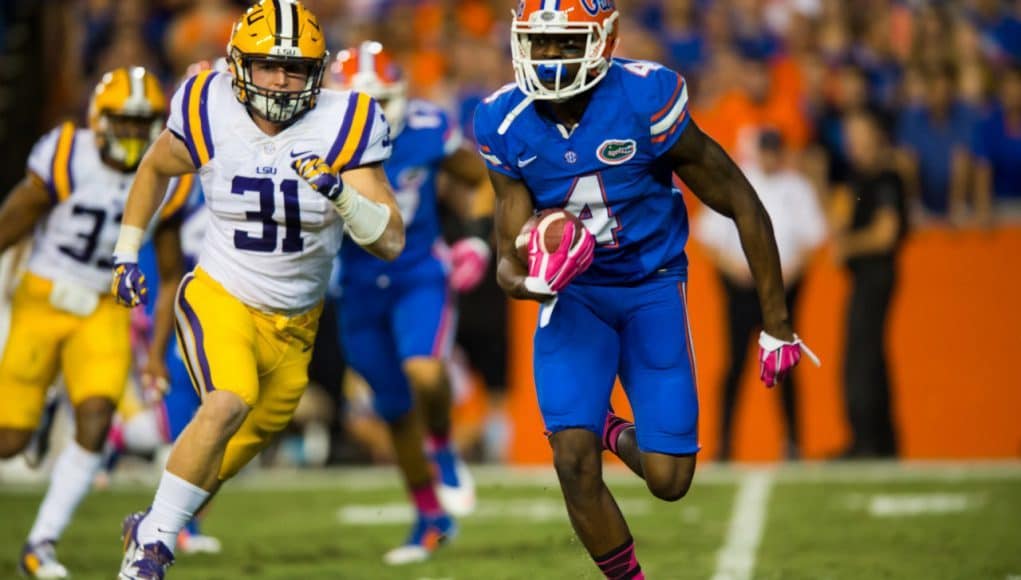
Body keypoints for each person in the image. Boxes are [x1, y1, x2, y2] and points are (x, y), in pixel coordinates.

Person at [474, 1, 816, 577]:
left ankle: (606, 424)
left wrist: (777, 324)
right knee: (572, 459)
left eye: (564, 43)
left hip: (650, 286)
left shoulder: (645, 97)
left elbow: (740, 199)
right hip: (574, 297)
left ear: (604, 40)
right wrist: (532, 281)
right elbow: (506, 257)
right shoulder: (502, 120)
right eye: (538, 41)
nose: (548, 57)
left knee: (670, 479)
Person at [110, 1, 404, 577]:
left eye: (295, 69)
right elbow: (153, 168)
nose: (280, 80)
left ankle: (151, 522)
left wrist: (342, 194)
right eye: (267, 65)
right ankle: (149, 554)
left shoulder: (348, 119)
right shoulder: (208, 104)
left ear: (317, 73)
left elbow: (390, 240)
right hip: (222, 293)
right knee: (228, 399)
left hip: (297, 323)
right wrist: (125, 252)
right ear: (238, 63)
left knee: (240, 443)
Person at [0, 66, 183, 579]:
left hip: (104, 307)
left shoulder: (166, 174)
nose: (131, 134)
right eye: (122, 122)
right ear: (99, 121)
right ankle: (37, 418)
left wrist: (154, 354)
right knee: (8, 441)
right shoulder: (66, 155)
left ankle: (41, 542)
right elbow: (12, 222)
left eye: (141, 124)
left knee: (98, 417)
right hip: (42, 298)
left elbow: (170, 276)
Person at [329, 40, 490, 563]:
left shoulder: (423, 128)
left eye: (383, 101)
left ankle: (442, 447)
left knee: (425, 371)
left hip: (419, 271)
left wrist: (475, 236)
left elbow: (481, 179)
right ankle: (429, 517)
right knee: (393, 407)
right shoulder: (313, 140)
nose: (375, 114)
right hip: (355, 285)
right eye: (362, 103)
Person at [695, 129, 827, 461]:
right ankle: (724, 444)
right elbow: (708, 237)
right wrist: (734, 268)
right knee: (735, 366)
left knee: (785, 366)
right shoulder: (739, 180)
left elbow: (814, 238)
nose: (769, 157)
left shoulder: (796, 188)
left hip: (782, 291)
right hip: (740, 290)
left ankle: (793, 443)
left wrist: (784, 274)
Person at [832, 110, 907, 459]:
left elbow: (886, 233)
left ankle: (868, 441)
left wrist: (848, 245)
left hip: (876, 276)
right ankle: (878, 441)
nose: (853, 143)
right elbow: (838, 219)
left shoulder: (886, 177)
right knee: (867, 357)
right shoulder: (858, 179)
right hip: (864, 277)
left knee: (862, 359)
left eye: (860, 135)